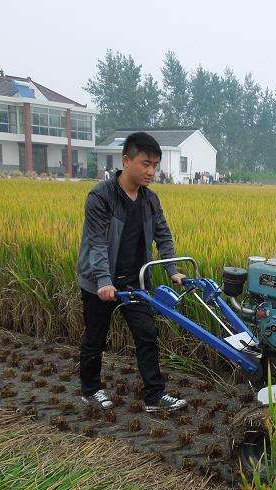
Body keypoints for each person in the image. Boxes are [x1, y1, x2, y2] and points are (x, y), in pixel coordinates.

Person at [76, 132, 187, 413]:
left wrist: (172, 269)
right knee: (95, 337)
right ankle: (90, 390)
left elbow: (163, 235)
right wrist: (103, 281)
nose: (151, 171)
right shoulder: (101, 197)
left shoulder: (150, 199)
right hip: (100, 282)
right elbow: (97, 242)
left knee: (147, 334)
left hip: (135, 281)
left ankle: (154, 396)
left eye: (155, 165)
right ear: (126, 161)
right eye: (145, 163)